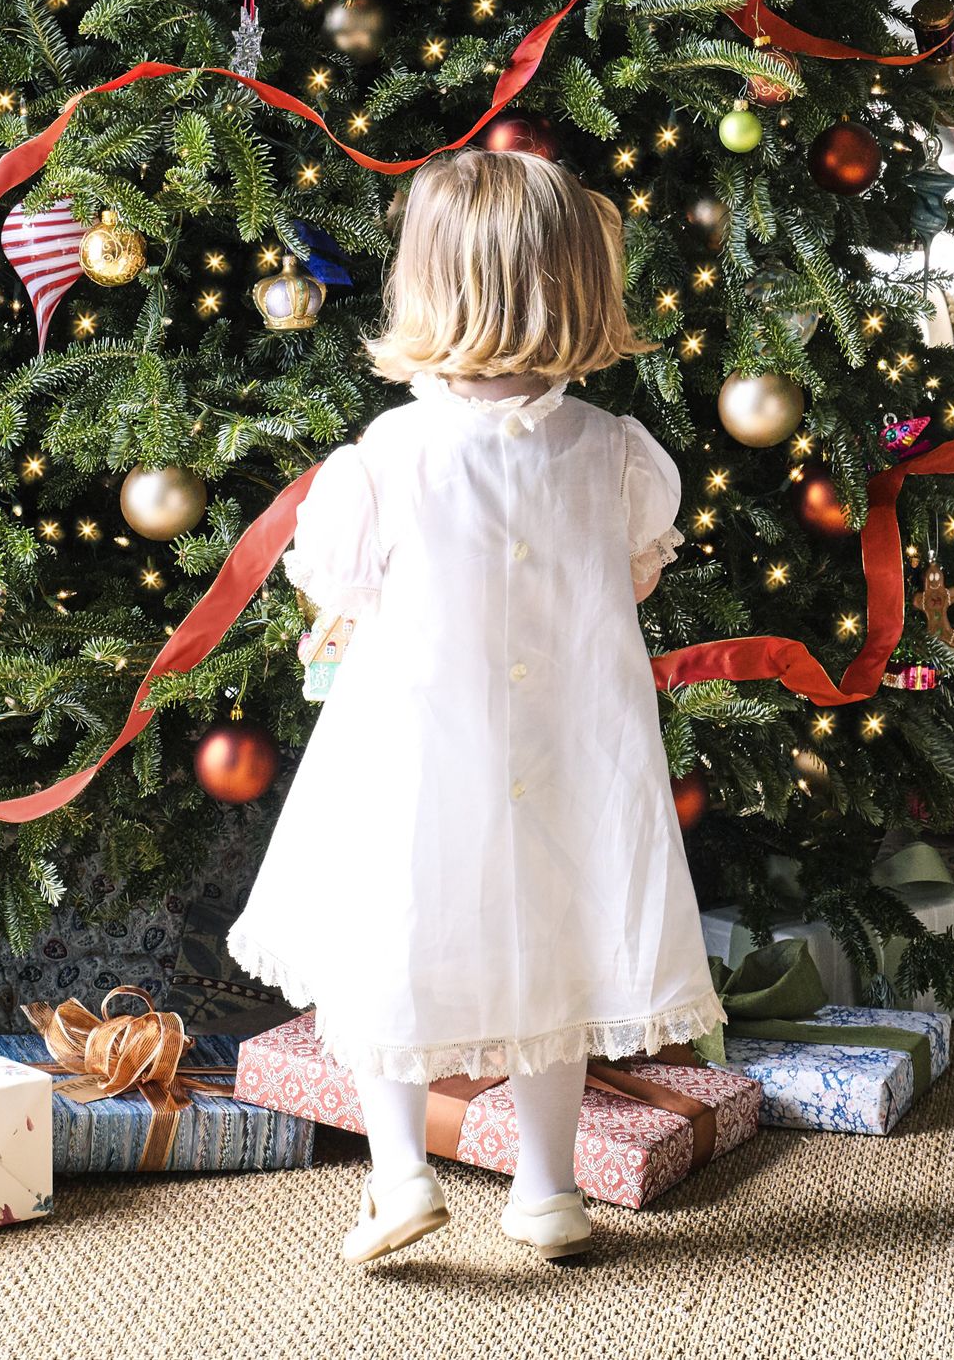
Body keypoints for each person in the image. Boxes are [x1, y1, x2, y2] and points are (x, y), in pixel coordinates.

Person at [228, 149, 719, 1265]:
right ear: (577, 284)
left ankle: (399, 1174)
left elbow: (340, 595)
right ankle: (546, 1190)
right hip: (571, 756)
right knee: (559, 946)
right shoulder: (618, 454)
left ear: (425, 284)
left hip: (413, 758)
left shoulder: (385, 457)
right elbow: (633, 575)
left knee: (385, 944)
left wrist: (344, 626)